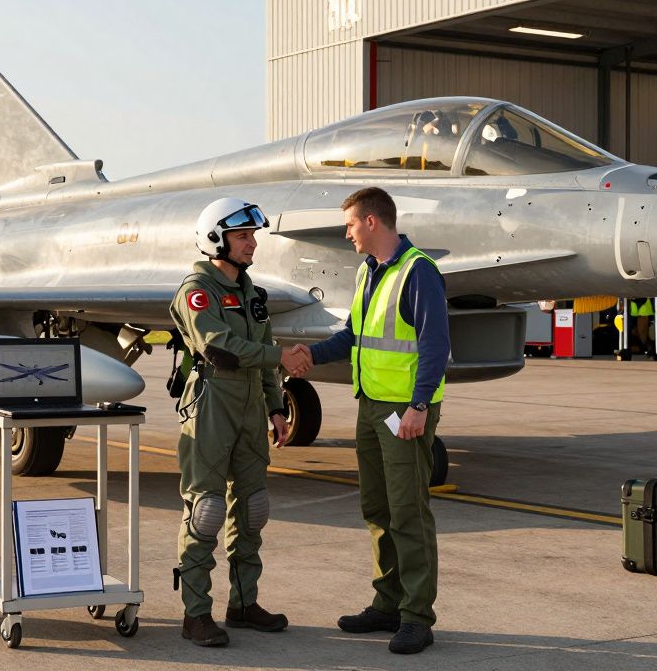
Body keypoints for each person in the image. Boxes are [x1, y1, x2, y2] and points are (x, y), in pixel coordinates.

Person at [300, 186, 450, 655]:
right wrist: (309, 355)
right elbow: (353, 335)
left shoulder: (418, 272)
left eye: (348, 225)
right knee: (377, 509)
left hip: (405, 410)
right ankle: (387, 603)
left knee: (408, 513)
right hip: (371, 407)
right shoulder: (368, 272)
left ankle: (416, 617)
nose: (346, 235)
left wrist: (419, 407)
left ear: (371, 222)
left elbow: (434, 345)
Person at [169, 197, 310, 648]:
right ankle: (196, 615)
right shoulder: (197, 290)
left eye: (252, 236)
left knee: (253, 510)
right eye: (243, 236)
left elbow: (263, 355)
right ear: (217, 239)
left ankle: (244, 604)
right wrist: (278, 356)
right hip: (212, 403)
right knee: (205, 512)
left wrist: (275, 407)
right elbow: (220, 347)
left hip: (250, 408)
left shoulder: (252, 293)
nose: (253, 244)